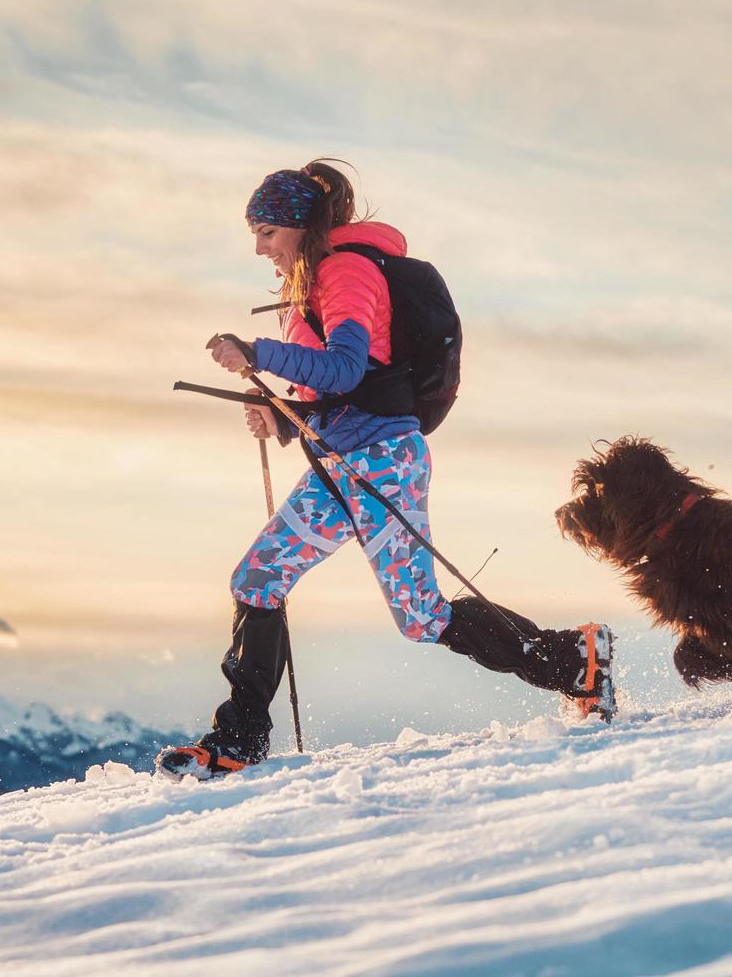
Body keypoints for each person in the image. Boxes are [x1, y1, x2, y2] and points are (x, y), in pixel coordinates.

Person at [158, 160, 599, 780]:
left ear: (299, 225)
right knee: (259, 579)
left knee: (421, 617)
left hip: (382, 464)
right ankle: (238, 743)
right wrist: (282, 420)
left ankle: (573, 662)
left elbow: (345, 369)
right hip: (346, 462)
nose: (259, 248)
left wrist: (258, 353)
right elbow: (336, 392)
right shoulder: (315, 281)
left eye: (266, 232)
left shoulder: (346, 272)